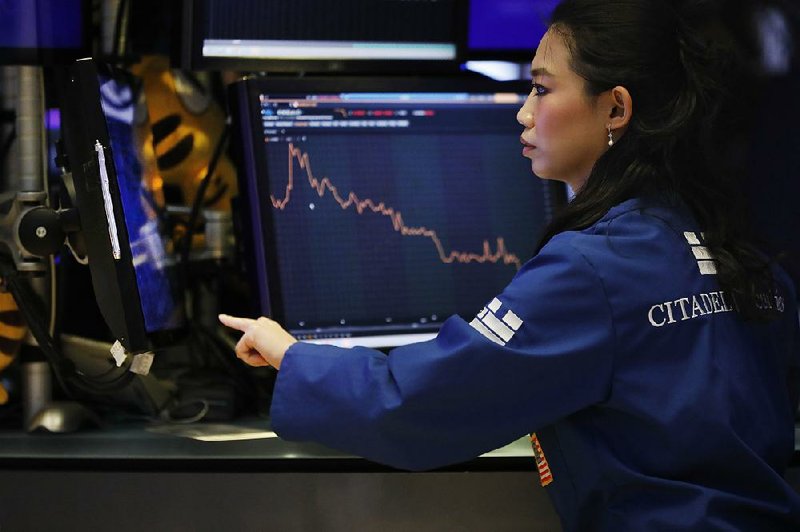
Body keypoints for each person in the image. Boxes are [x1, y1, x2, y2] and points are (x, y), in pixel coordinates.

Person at [220, 0, 800, 529]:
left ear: (616, 107)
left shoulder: (590, 270)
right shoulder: (743, 253)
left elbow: (420, 406)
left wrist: (293, 356)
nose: (523, 113)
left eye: (543, 90)